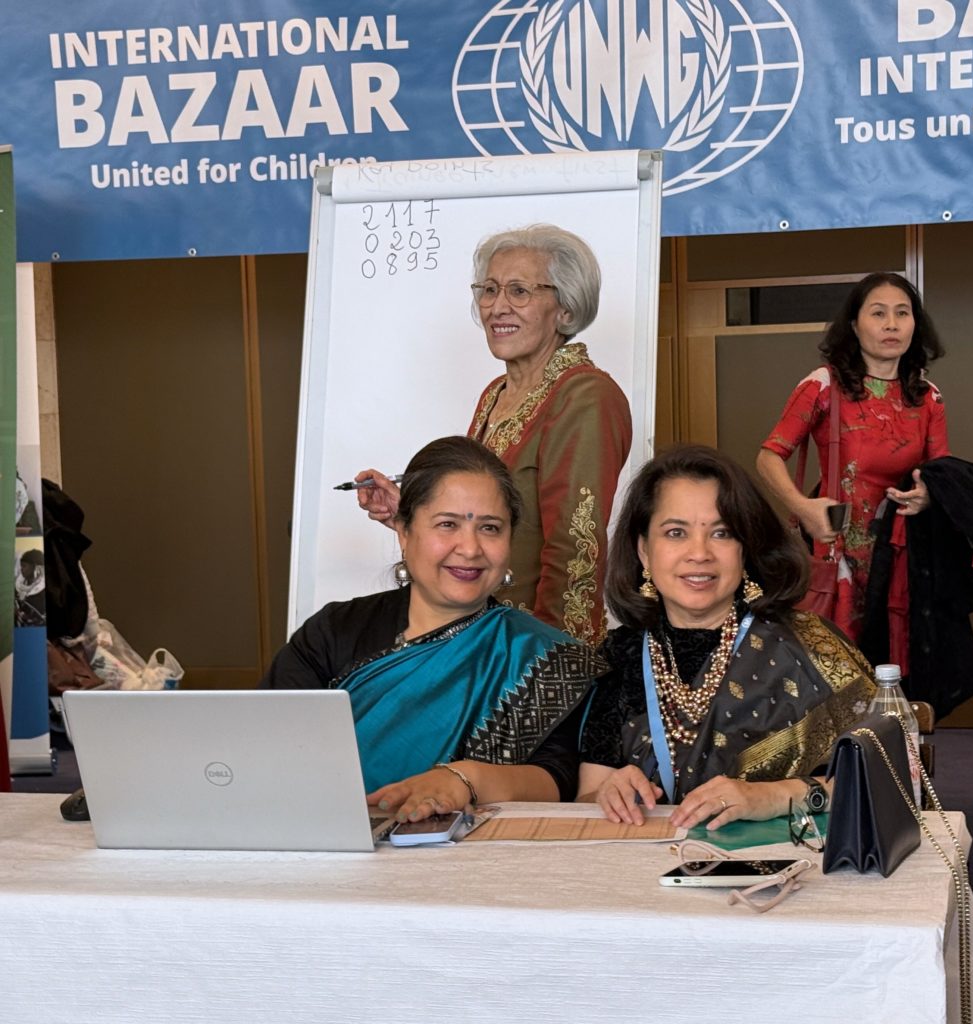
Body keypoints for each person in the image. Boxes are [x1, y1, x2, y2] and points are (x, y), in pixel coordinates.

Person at [263, 436, 606, 822]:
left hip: (477, 851)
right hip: (325, 838)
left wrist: (466, 778)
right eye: (447, 524)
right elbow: (267, 744)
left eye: (490, 528)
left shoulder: (544, 656)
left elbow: (559, 778)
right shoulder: (334, 631)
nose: (470, 548)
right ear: (404, 531)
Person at [356, 224, 632, 645]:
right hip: (478, 632)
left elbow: (575, 551)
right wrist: (406, 516)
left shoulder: (585, 395)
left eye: (519, 291)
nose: (497, 307)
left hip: (526, 648)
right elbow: (483, 519)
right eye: (489, 290)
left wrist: (552, 661)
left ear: (566, 309)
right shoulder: (496, 394)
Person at [579, 445, 876, 831]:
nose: (699, 553)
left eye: (721, 533)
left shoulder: (809, 647)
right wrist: (608, 793)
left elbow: (891, 776)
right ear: (644, 551)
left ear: (746, 549)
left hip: (789, 856)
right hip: (647, 858)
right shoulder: (619, 656)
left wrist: (774, 796)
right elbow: (588, 795)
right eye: (675, 533)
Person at [757, 272, 950, 647]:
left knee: (898, 662)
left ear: (915, 324)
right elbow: (768, 456)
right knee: (840, 662)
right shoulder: (823, 385)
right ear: (854, 325)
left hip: (902, 556)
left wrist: (929, 496)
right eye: (878, 313)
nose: (891, 324)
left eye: (902, 313)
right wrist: (803, 508)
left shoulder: (928, 397)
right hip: (839, 551)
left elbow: (942, 475)